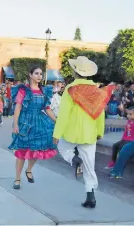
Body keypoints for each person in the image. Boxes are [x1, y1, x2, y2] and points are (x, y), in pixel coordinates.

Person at [53, 56, 113, 209]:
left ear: (75, 71)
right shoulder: (97, 90)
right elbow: (99, 113)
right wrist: (99, 131)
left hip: (71, 132)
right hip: (89, 134)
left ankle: (73, 159)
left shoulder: (70, 89)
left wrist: (57, 133)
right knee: (89, 165)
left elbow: (64, 113)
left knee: (63, 148)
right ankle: (90, 195)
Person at [9, 66, 57, 190]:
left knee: (38, 150)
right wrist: (15, 124)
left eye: (41, 74)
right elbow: (18, 107)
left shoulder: (44, 91)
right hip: (25, 122)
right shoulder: (23, 90)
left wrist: (57, 121)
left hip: (40, 122)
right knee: (21, 152)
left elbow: (47, 109)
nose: (39, 76)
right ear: (30, 75)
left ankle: (29, 170)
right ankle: (17, 178)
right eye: (36, 73)